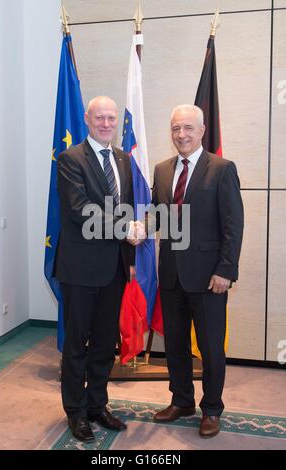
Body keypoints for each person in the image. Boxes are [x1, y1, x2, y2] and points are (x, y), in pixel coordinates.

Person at [151, 104, 244, 438]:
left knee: (210, 346)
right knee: (174, 343)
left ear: (202, 131)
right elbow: (158, 219)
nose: (181, 135)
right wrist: (133, 227)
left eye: (188, 128)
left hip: (209, 278)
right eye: (176, 128)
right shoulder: (161, 170)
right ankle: (182, 400)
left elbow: (233, 225)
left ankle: (212, 409)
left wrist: (225, 270)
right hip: (172, 274)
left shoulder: (221, 169)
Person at [55, 96, 140, 442]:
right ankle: (75, 412)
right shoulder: (70, 158)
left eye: (110, 118)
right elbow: (80, 209)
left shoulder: (121, 158)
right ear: (88, 120)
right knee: (77, 342)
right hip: (80, 269)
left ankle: (96, 405)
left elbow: (127, 208)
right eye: (99, 118)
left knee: (106, 342)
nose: (106, 123)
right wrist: (125, 229)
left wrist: (131, 261)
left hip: (115, 269)